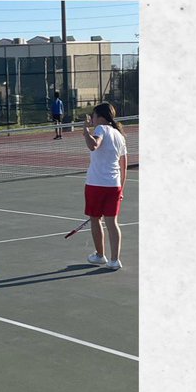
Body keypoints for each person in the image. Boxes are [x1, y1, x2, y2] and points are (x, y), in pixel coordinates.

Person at [83, 103, 127, 271]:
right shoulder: (120, 136)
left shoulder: (100, 130)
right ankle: (114, 260)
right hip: (114, 186)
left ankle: (100, 256)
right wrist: (121, 189)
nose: (92, 120)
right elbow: (124, 167)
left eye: (93, 116)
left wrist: (85, 131)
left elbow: (93, 145)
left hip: (96, 184)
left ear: (100, 117)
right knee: (112, 223)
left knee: (95, 219)